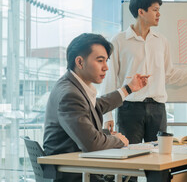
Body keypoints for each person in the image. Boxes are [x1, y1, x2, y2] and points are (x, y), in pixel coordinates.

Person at [101, 0, 187, 144]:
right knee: (130, 155)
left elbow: (168, 75)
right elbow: (110, 80)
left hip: (158, 108)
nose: (159, 14)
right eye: (155, 10)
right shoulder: (119, 41)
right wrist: (107, 116)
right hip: (129, 108)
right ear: (141, 12)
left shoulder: (161, 41)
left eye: (159, 10)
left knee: (159, 156)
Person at [43, 33, 149, 182]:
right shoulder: (70, 94)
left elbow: (96, 105)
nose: (106, 67)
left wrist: (128, 89)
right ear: (80, 62)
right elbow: (92, 144)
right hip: (72, 174)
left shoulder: (73, 86)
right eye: (100, 61)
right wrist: (117, 139)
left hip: (79, 168)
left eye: (106, 61)